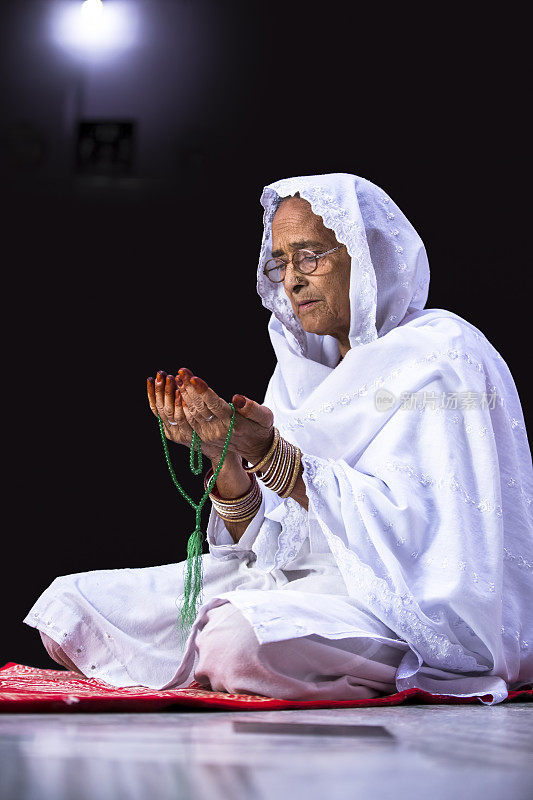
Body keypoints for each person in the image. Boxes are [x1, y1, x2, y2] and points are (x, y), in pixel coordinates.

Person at [25, 173, 533, 703]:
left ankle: (341, 664)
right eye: (281, 262)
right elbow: (272, 548)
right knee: (69, 608)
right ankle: (271, 657)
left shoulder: (442, 356)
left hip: (400, 605)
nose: (292, 280)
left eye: (309, 255)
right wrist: (225, 461)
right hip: (297, 590)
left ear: (368, 254)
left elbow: (429, 537)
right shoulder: (300, 374)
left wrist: (269, 453)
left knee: (233, 642)